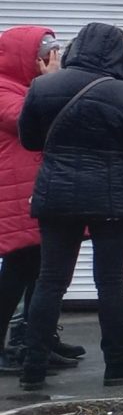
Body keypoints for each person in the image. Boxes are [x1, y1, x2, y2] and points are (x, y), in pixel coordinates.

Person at [14, 23, 123, 395]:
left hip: (56, 196)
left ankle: (32, 367)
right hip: (112, 198)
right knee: (110, 281)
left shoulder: (42, 86)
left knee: (50, 281)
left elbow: (30, 139)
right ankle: (117, 364)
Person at [0, 29, 66, 376]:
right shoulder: (4, 88)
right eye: (45, 54)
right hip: (16, 194)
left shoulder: (28, 86)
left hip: (37, 189)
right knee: (17, 272)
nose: (51, 61)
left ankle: (37, 339)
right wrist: (52, 83)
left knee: (42, 272)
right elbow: (25, 119)